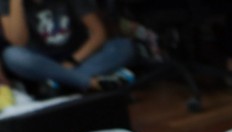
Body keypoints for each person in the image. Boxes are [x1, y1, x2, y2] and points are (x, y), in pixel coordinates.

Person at [0, 0, 135, 94]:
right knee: (12, 55)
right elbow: (18, 41)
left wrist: (72, 61)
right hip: (41, 64)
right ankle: (86, 82)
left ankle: (64, 84)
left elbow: (98, 33)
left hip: (77, 58)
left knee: (123, 46)